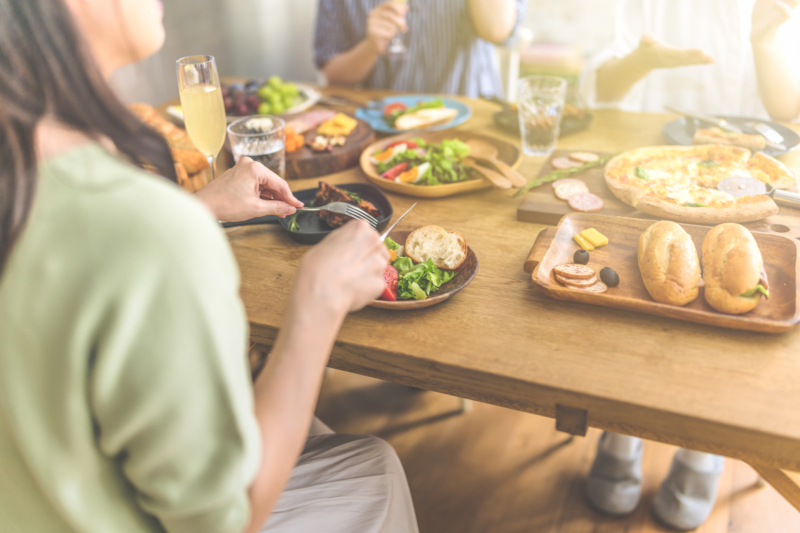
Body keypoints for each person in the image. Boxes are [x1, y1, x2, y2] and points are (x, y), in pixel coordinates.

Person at [0, 1, 419, 533]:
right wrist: (318, 300)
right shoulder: (148, 227)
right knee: (374, 465)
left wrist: (199, 210)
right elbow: (229, 519)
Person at [578, 1, 799, 530]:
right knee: (638, 315)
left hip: (738, 181)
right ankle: (622, 431)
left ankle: (705, 451)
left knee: (725, 335)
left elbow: (788, 109)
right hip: (647, 172)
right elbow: (602, 87)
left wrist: (766, 39)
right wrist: (646, 59)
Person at [578, 0, 800, 121]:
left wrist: (764, 43)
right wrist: (641, 61)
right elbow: (600, 90)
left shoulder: (785, 6)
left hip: (762, 166)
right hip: (661, 162)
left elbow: (787, 112)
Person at [314, 0, 527, 98]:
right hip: (383, 124)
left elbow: (497, 29)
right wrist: (370, 47)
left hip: (472, 117)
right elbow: (334, 76)